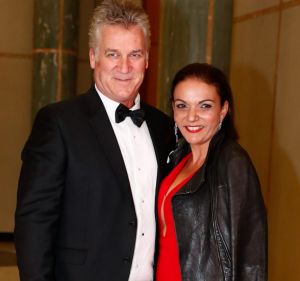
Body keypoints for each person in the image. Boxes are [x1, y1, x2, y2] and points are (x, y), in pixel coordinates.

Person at [14, 1, 174, 281]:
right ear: (93, 57)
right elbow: (34, 222)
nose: (124, 66)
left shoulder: (164, 127)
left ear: (147, 59)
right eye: (113, 54)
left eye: (134, 54)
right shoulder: (58, 122)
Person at [156, 63, 267, 281]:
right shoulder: (178, 157)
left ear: (223, 109)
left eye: (204, 106)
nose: (191, 117)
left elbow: (250, 256)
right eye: (182, 106)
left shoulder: (233, 162)